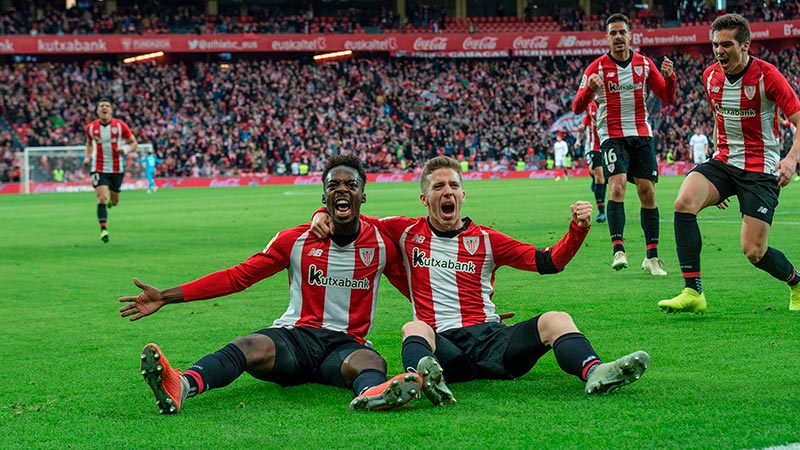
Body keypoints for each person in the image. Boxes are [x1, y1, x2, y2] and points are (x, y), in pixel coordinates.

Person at [312, 156, 650, 402]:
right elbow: (350, 215)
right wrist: (320, 214)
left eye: (454, 186)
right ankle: (422, 381)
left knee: (556, 319)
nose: (448, 192)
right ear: (424, 198)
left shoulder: (487, 239)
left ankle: (595, 372)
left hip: (492, 342)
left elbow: (548, 262)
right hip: (444, 347)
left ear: (462, 195)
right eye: (439, 187)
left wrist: (577, 229)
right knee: (414, 327)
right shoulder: (403, 231)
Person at [118, 155, 426, 414]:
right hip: (294, 341)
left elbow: (414, 291)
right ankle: (181, 385)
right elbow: (237, 277)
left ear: (363, 195)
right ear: (323, 197)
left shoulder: (382, 244)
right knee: (248, 345)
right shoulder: (295, 240)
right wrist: (166, 296)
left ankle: (373, 394)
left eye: (351, 185)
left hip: (345, 347)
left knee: (371, 361)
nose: (342, 190)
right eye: (333, 185)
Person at [658, 14, 800, 313]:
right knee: (683, 202)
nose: (719, 51)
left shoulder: (768, 76)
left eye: (726, 45)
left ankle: (796, 281)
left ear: (745, 45)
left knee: (754, 251)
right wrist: (716, 183)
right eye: (714, 45)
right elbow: (719, 118)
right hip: (723, 161)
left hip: (761, 168)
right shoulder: (711, 76)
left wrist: (790, 160)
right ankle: (693, 291)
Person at [572, 13, 676, 275]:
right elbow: (576, 107)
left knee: (648, 192)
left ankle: (652, 257)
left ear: (630, 35)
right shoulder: (595, 68)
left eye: (622, 32)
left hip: (641, 133)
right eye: (613, 33)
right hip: (612, 135)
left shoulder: (643, 64)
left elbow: (667, 97)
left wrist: (670, 78)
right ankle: (618, 250)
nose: (618, 37)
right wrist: (589, 90)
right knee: (616, 187)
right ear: (607, 38)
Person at [82, 97, 138, 243]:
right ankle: (103, 229)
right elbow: (89, 143)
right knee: (101, 197)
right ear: (98, 110)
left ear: (111, 110)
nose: (104, 108)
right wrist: (87, 157)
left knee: (114, 201)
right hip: (98, 167)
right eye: (102, 106)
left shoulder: (120, 126)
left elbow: (134, 143)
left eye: (107, 106)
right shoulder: (91, 128)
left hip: (116, 168)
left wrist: (125, 150)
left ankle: (109, 203)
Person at [575, 99, 607, 222]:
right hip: (595, 146)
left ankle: (595, 179)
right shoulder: (591, 105)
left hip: (610, 144)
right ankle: (601, 212)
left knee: (604, 178)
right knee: (599, 177)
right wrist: (579, 139)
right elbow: (585, 122)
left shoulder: (611, 101)